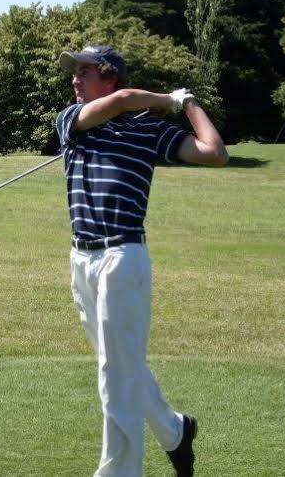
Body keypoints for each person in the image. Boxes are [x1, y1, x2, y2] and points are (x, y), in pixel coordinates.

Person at [55, 45, 227, 477]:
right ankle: (174, 430)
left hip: (123, 255)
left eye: (85, 71)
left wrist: (188, 104)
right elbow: (121, 102)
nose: (75, 79)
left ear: (109, 74)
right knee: (118, 362)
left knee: (115, 370)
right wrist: (163, 98)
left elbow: (214, 152)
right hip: (82, 258)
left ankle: (118, 472)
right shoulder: (71, 121)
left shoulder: (148, 131)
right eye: (74, 72)